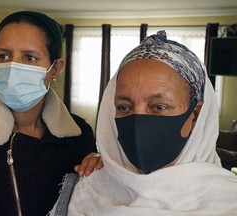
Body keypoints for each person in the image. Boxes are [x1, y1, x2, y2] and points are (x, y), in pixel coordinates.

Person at [49, 31, 237, 216]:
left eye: (159, 106)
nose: (138, 121)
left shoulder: (228, 200)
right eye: (124, 107)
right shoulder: (87, 188)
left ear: (195, 115)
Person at [0, 11, 103, 216]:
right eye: (3, 56)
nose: (13, 68)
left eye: (29, 57)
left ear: (55, 69)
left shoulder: (78, 135)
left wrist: (104, 171)